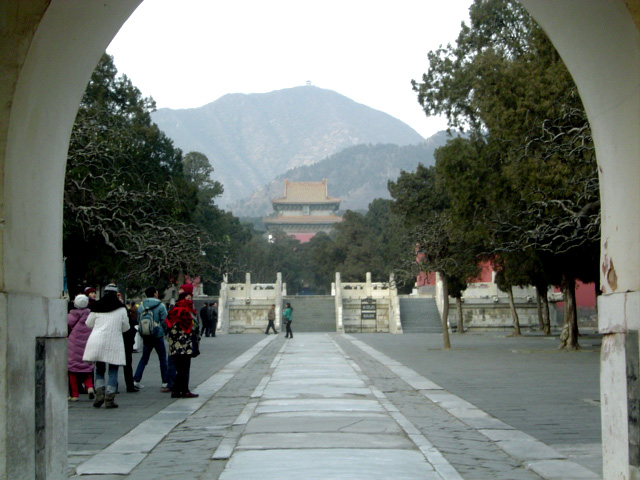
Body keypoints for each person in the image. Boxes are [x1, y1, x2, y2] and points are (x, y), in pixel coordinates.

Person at [83, 283, 130, 408]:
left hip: (97, 340)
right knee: (113, 370)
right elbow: (126, 327)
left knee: (99, 369)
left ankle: (99, 394)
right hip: (114, 341)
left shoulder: (96, 306)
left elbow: (88, 323)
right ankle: (109, 398)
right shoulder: (121, 308)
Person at [164, 284, 199, 398]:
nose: (190, 301)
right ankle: (182, 390)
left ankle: (178, 390)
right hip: (182, 344)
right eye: (188, 298)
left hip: (176, 345)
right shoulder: (183, 311)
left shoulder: (175, 310)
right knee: (183, 369)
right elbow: (190, 327)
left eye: (190, 298)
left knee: (181, 369)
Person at [133, 287, 170, 392]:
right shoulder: (160, 305)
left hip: (146, 335)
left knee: (144, 358)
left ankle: (136, 380)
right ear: (154, 294)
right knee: (162, 358)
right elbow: (165, 320)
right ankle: (165, 382)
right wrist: (162, 330)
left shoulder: (141, 306)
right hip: (158, 335)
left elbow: (139, 320)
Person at [67, 294, 95, 401]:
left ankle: (74, 395)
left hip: (74, 345)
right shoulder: (90, 314)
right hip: (87, 344)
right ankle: (89, 387)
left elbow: (67, 325)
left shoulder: (73, 315)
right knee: (86, 369)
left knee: (72, 371)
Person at [119, 292, 138, 393]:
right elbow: (128, 324)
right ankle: (129, 385)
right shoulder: (123, 310)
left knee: (116, 365)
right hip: (126, 339)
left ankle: (113, 386)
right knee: (127, 364)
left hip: (120, 339)